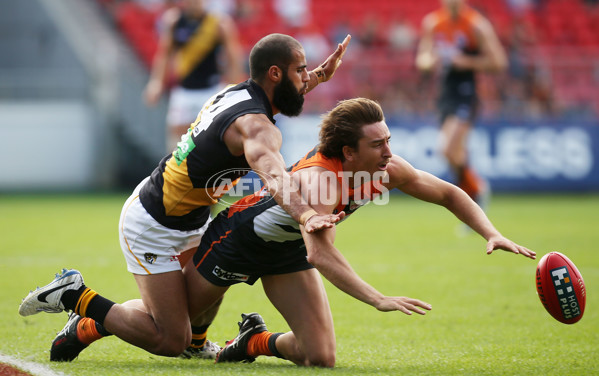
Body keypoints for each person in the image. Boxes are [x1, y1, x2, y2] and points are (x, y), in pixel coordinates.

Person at [18, 33, 352, 362]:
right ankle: (76, 295)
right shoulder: (257, 127)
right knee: (168, 337)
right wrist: (307, 215)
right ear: (275, 73)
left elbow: (286, 92)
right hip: (153, 223)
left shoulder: (239, 93)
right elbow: (276, 177)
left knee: (213, 278)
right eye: (301, 70)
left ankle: (190, 341)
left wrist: (318, 76)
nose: (306, 78)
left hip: (190, 216)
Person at [175, 97, 533, 367]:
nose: (388, 152)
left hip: (286, 252)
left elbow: (449, 193)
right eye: (377, 144)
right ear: (348, 152)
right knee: (167, 332)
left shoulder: (386, 168)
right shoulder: (321, 183)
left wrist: (491, 232)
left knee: (319, 356)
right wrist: (377, 298)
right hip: (236, 240)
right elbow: (320, 253)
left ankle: (253, 341)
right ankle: (119, 317)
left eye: (387, 140)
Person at [415, 0, 507, 206]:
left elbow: (498, 62)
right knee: (454, 154)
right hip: (445, 93)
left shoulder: (476, 25)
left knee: (447, 150)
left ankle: (476, 191)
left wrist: (466, 62)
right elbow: (422, 58)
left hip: (466, 91)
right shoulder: (433, 23)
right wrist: (430, 62)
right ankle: (473, 196)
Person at [143, 0, 245, 152]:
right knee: (177, 140)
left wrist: (236, 86)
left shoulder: (219, 23)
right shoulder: (174, 21)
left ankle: (213, 174)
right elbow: (165, 54)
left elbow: (233, 57)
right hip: (184, 91)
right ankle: (176, 173)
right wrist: (156, 83)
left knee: (215, 137)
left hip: (211, 91)